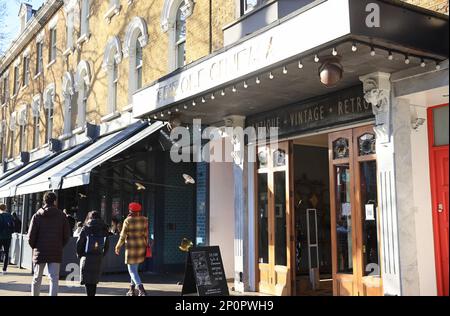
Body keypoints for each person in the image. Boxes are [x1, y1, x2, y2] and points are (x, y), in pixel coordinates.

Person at [28, 192, 71, 296]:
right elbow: (66, 236)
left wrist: (35, 247)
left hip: (40, 250)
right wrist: (60, 246)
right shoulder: (61, 216)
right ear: (55, 201)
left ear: (44, 201)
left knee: (37, 277)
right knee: (54, 278)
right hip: (55, 251)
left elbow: (30, 236)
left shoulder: (37, 215)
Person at [115, 202, 148, 296]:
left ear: (130, 210)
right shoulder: (144, 220)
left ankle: (141, 289)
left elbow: (122, 236)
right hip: (141, 246)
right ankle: (131, 290)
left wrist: (118, 246)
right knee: (135, 269)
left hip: (131, 247)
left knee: (131, 270)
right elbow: (146, 234)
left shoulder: (128, 220)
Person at [76, 211, 109, 297]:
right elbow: (107, 245)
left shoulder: (86, 227)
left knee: (87, 280)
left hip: (87, 257)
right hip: (98, 257)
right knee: (94, 280)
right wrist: (101, 254)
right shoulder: (104, 228)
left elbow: (79, 243)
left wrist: (80, 254)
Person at [0, 204, 15, 275]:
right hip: (8, 237)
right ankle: (4, 269)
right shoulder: (10, 216)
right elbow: (13, 226)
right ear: (5, 208)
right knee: (6, 252)